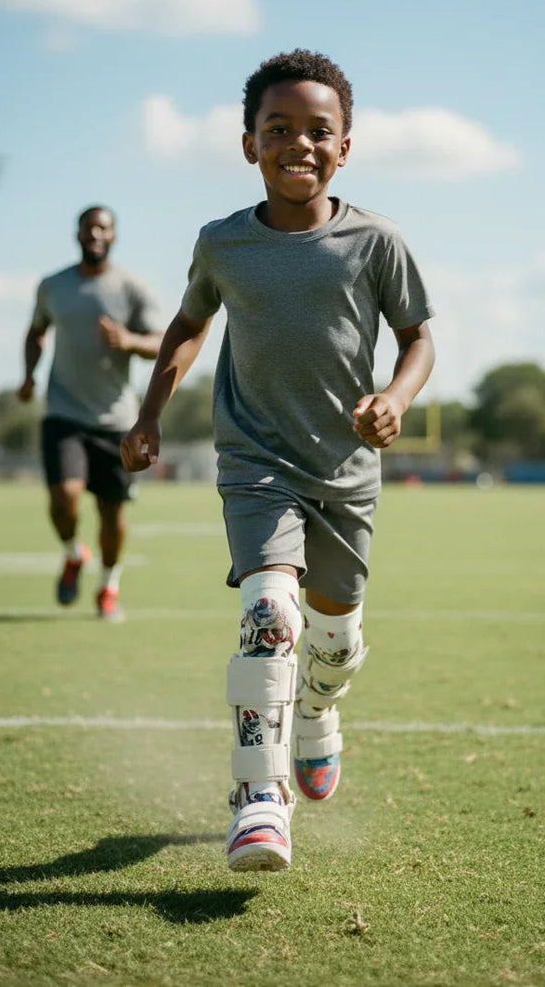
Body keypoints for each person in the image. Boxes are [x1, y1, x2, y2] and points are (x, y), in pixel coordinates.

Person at [121, 50, 435, 871]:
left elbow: (418, 340)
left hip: (345, 470)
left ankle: (322, 711)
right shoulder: (222, 243)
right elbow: (189, 326)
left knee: (330, 643)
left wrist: (395, 399)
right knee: (270, 616)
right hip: (255, 460)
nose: (299, 143)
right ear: (249, 143)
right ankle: (259, 800)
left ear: (346, 145)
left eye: (318, 131)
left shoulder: (376, 241)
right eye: (279, 129)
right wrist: (150, 411)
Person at [19, 205, 164, 621]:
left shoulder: (132, 288)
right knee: (64, 498)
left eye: (103, 228)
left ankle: (108, 586)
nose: (95, 235)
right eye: (88, 228)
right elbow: (35, 332)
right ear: (78, 234)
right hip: (63, 411)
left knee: (111, 512)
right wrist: (28, 376)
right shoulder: (53, 286)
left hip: (117, 419)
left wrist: (128, 340)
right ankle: (72, 553)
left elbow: (162, 342)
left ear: (114, 236)